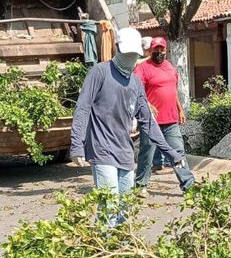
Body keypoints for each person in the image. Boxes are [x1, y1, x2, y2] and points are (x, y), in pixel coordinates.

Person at [70, 27, 186, 227]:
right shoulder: (100, 72)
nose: (131, 58)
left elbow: (148, 122)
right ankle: (104, 250)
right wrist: (77, 145)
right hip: (102, 150)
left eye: (134, 54)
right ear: (117, 48)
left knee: (124, 210)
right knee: (109, 207)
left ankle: (120, 250)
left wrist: (172, 154)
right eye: (127, 53)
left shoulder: (135, 83)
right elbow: (82, 108)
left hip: (125, 153)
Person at [134, 37, 194, 194]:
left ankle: (188, 184)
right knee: (147, 153)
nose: (159, 52)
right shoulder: (142, 68)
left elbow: (173, 91)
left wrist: (180, 109)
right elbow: (137, 91)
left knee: (178, 152)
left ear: (166, 51)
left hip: (170, 119)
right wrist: (147, 104)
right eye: (156, 50)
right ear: (150, 50)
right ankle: (141, 185)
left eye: (162, 50)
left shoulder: (170, 67)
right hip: (150, 121)